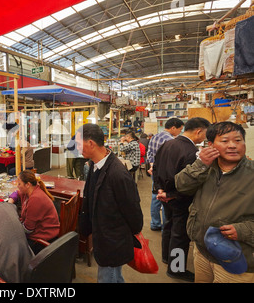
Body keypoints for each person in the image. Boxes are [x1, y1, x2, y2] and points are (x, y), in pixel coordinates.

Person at [175, 122, 254, 283]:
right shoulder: (206, 169)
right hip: (202, 252)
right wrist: (201, 164)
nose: (232, 146)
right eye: (225, 141)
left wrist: (244, 230)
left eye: (238, 140)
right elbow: (181, 185)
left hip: (236, 257)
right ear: (210, 145)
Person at [76, 123, 143, 283]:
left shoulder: (117, 174)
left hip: (113, 241)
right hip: (103, 238)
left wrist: (128, 233)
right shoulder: (94, 165)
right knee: (114, 277)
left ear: (91, 143)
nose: (77, 148)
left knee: (108, 277)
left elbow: (132, 210)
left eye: (79, 144)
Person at [153, 117, 210, 282]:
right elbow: (188, 182)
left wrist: (160, 189)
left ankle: (166, 257)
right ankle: (176, 269)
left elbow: (155, 167)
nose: (205, 138)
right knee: (180, 234)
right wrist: (169, 194)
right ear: (199, 131)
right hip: (180, 198)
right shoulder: (191, 152)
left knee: (168, 226)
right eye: (205, 134)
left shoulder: (167, 144)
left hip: (166, 195)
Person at [147, 117, 184, 231]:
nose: (180, 132)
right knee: (165, 199)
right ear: (173, 128)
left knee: (155, 197)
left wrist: (152, 167)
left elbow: (149, 154)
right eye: (180, 129)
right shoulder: (171, 140)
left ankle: (155, 223)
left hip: (155, 172)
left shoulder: (155, 137)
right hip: (165, 174)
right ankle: (165, 227)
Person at [11, 170, 60, 254]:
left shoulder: (35, 199)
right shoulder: (30, 191)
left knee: (10, 243)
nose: (17, 186)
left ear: (28, 185)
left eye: (19, 184)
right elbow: (17, 193)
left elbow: (28, 229)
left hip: (42, 238)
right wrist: (10, 201)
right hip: (40, 232)